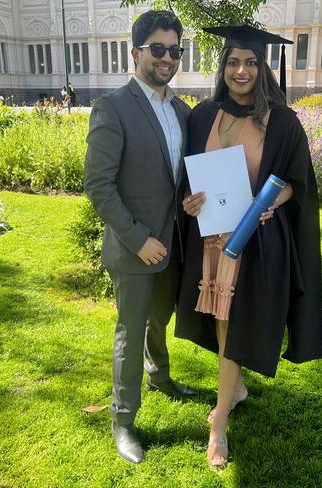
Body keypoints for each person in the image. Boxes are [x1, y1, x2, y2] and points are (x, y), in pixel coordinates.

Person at [176, 25, 322, 469]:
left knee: (232, 328)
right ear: (222, 68)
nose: (240, 71)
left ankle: (219, 420)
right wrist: (188, 201)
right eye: (232, 62)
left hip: (252, 242)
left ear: (262, 69)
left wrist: (271, 202)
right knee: (226, 327)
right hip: (211, 239)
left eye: (250, 63)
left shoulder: (282, 121)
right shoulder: (203, 115)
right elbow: (190, 178)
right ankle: (235, 390)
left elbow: (297, 181)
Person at [84, 10, 194, 465]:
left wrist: (193, 200)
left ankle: (159, 375)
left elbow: (180, 176)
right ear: (136, 52)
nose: (167, 58)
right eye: (158, 49)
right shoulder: (113, 107)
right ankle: (123, 420)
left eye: (174, 50)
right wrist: (136, 239)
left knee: (159, 319)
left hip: (175, 245)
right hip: (135, 249)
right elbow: (99, 185)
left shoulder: (182, 110)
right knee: (132, 331)